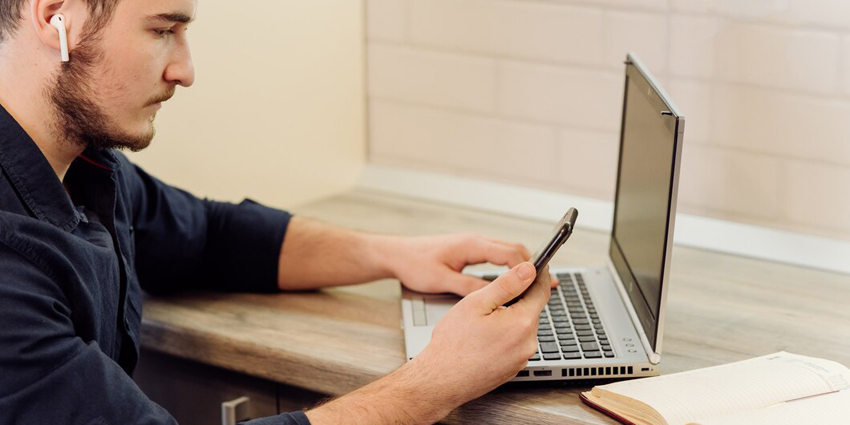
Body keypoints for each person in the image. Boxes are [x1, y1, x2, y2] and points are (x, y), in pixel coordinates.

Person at [0, 0, 554, 424]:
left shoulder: (84, 165)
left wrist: (396, 254)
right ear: (55, 17)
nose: (185, 71)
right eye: (163, 30)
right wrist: (438, 379)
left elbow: (211, 237)